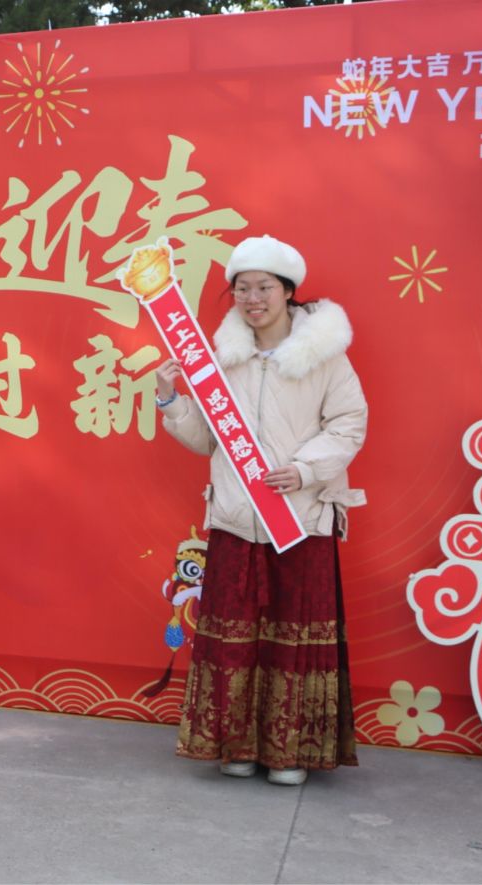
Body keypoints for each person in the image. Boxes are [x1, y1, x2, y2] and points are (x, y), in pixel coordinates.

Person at [154, 235, 367, 786]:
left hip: (301, 520)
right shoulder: (221, 358)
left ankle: (290, 754)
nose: (253, 299)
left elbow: (349, 425)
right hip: (235, 519)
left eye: (264, 287)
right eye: (242, 289)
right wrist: (171, 400)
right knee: (235, 642)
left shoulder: (325, 356)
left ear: (288, 291)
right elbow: (209, 441)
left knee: (293, 642)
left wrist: (305, 468)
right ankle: (237, 746)